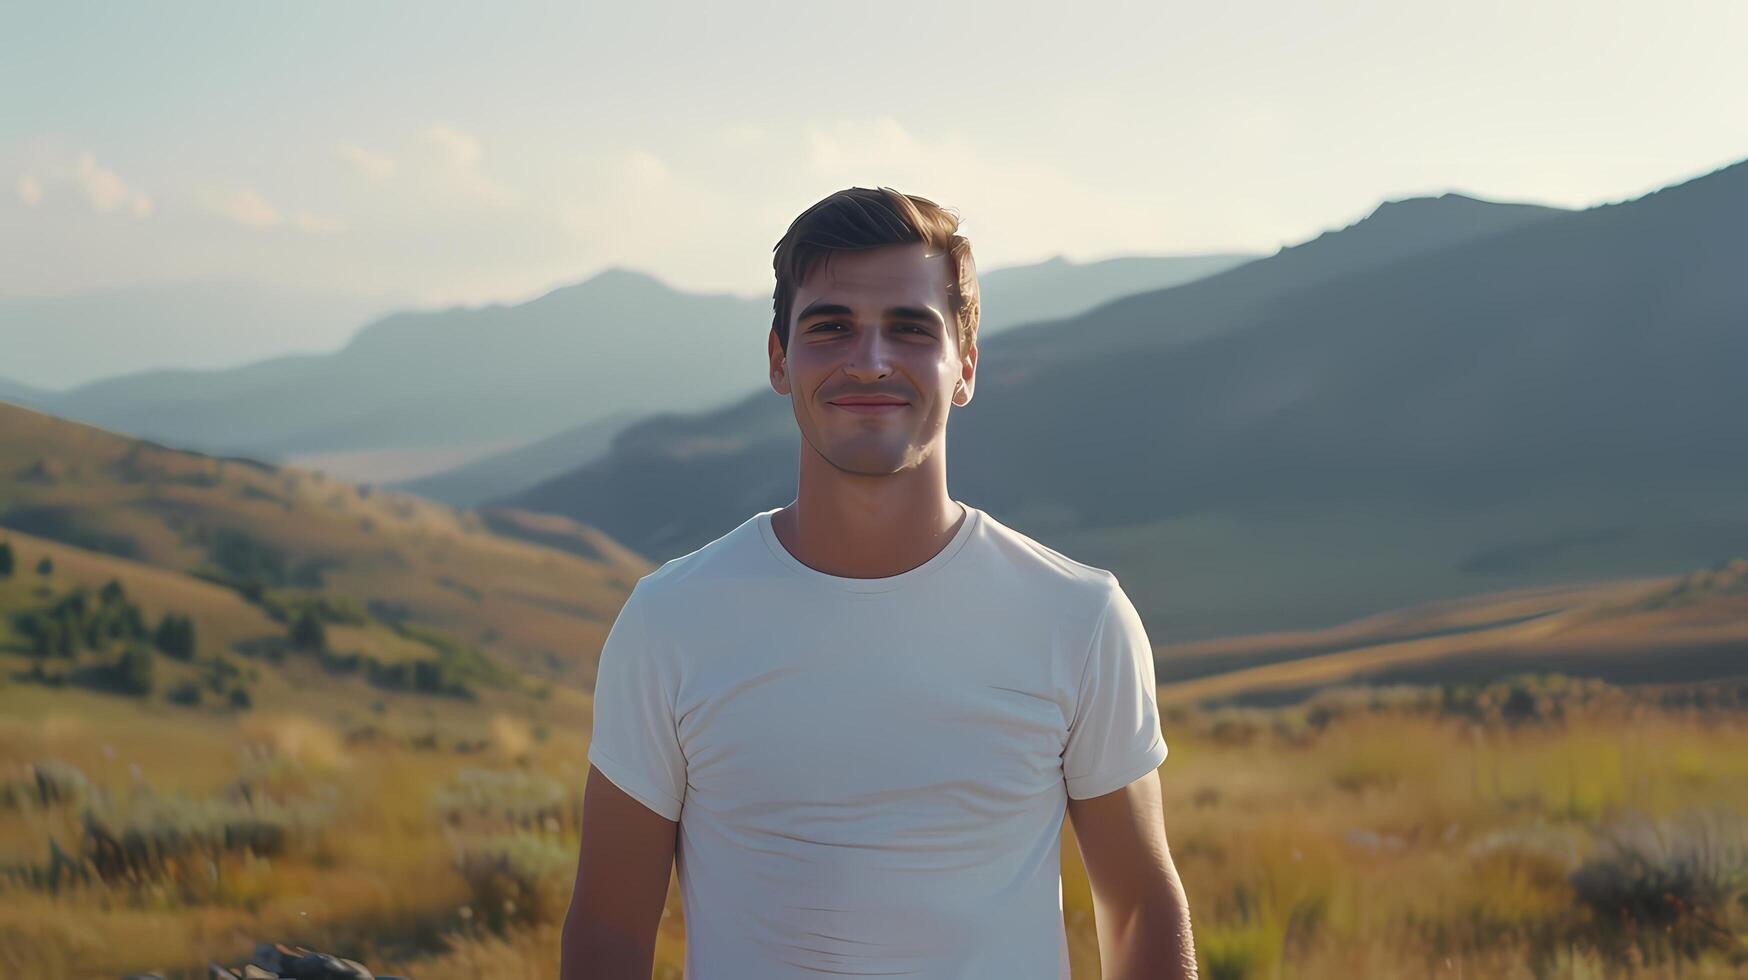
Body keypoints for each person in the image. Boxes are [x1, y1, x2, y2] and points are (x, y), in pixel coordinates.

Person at [561, 186, 1196, 979]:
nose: (869, 361)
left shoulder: (1079, 616)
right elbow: (610, 931)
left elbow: (1138, 905)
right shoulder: (670, 622)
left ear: (964, 365)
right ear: (778, 359)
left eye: (909, 328)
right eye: (830, 327)